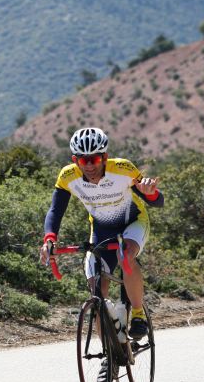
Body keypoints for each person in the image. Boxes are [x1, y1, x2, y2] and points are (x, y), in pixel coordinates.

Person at [39, 127, 164, 340]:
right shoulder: (68, 176)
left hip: (132, 223)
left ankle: (137, 313)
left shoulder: (123, 169)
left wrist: (150, 195)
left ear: (104, 157)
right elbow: (55, 210)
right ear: (75, 159)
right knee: (97, 290)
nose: (88, 165)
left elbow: (158, 201)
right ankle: (110, 353)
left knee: (126, 254)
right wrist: (49, 239)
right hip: (101, 230)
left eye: (94, 159)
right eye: (82, 160)